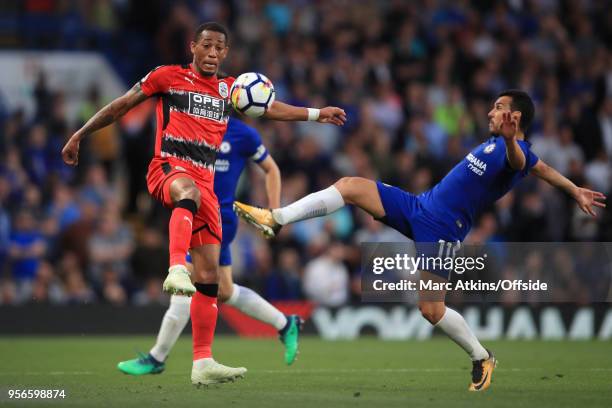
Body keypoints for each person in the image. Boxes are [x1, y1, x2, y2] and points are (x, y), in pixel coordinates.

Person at [233, 90, 607, 391]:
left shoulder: (515, 151)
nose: (492, 113)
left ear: (516, 118)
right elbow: (543, 169)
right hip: (418, 205)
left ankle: (482, 356)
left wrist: (512, 142)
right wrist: (574, 190)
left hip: (443, 230)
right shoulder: (502, 145)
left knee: (430, 311)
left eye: (499, 108)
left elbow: (523, 161)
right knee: (349, 186)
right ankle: (277, 217)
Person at [61, 22, 346, 386]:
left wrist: (316, 114)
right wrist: (80, 134)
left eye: (219, 48)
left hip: (207, 187)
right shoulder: (167, 77)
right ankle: (175, 267)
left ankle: (202, 361)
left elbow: (271, 108)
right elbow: (121, 105)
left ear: (225, 53)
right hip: (169, 167)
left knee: (210, 277)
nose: (212, 53)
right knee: (188, 197)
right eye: (206, 46)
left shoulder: (231, 90)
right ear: (193, 47)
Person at [117, 117, 303, 376]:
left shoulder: (243, 134)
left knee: (187, 283)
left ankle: (156, 357)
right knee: (224, 291)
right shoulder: (196, 125)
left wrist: (273, 211)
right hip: (195, 209)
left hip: (219, 217)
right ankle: (285, 323)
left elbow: (272, 169)